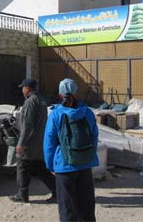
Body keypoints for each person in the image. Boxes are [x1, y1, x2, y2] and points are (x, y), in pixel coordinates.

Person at [44, 78, 99, 222]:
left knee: (68, 209)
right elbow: (94, 136)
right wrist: (89, 156)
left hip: (64, 167)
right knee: (86, 208)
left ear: (60, 94)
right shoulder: (87, 113)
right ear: (76, 92)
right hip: (85, 165)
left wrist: (50, 165)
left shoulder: (55, 114)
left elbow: (49, 142)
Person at [9, 78, 56, 203]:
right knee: (40, 167)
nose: (22, 90)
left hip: (30, 141)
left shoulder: (30, 102)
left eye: (23, 88)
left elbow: (28, 125)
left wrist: (21, 143)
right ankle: (57, 192)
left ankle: (22, 194)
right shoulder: (41, 100)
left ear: (28, 88)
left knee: (22, 166)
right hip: (40, 140)